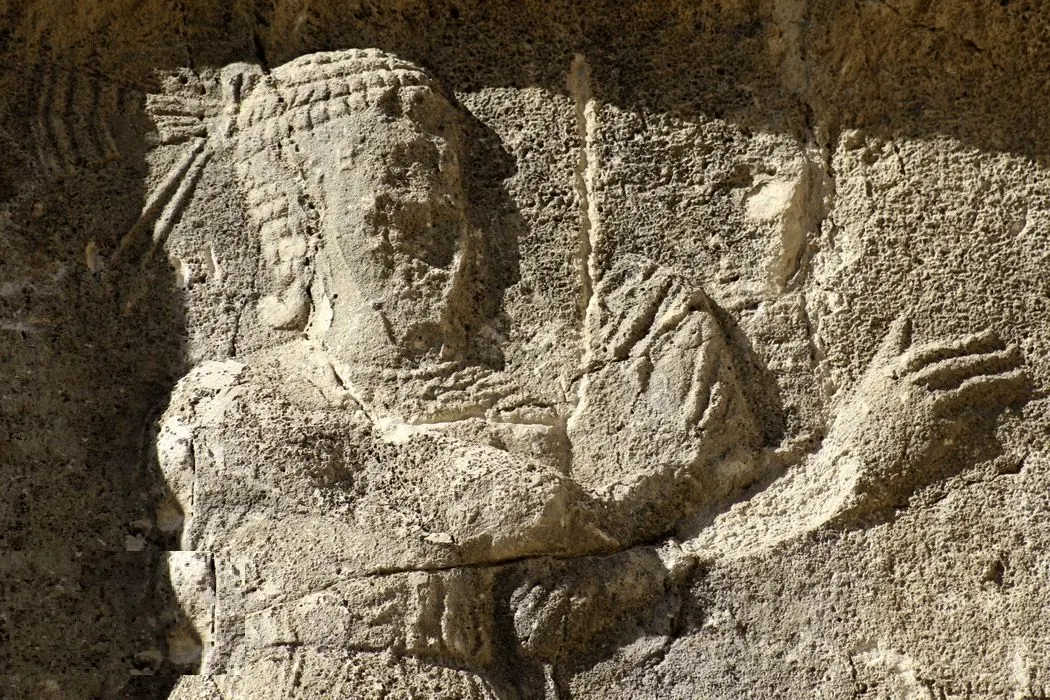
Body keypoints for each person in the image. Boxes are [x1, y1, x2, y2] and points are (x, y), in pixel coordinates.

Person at [159, 49, 1028, 698]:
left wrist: (849, 467)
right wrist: (632, 480)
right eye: (390, 183)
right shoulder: (239, 406)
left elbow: (581, 607)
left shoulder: (512, 420)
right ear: (299, 221)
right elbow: (401, 530)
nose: (436, 215)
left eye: (446, 183)